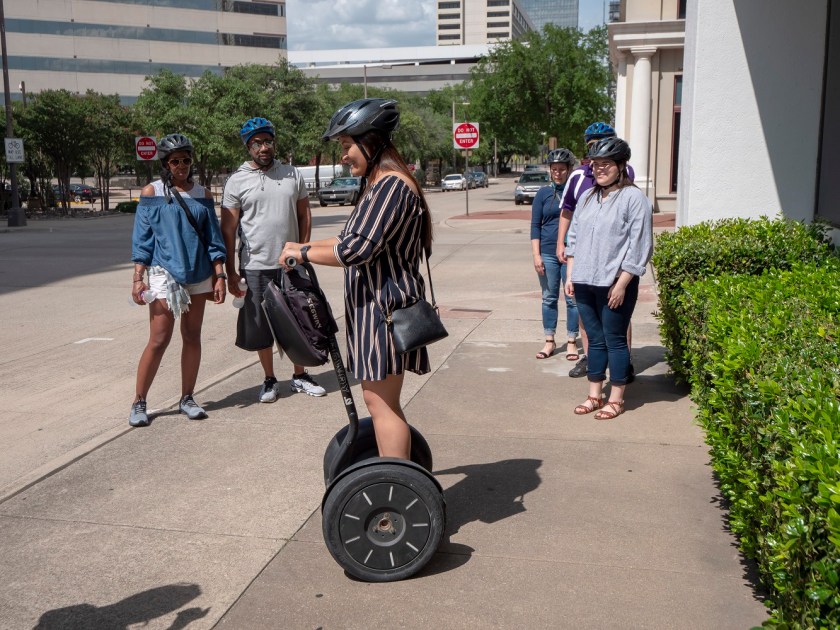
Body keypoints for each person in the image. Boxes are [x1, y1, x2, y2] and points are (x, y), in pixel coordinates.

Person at [280, 98, 432, 459]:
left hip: (386, 311)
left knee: (381, 404)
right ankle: (394, 473)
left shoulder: (392, 187)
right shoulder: (377, 185)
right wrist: (301, 246)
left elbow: (355, 250)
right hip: (375, 310)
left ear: (372, 141)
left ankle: (394, 482)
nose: (344, 155)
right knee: (378, 402)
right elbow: (347, 238)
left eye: (347, 145)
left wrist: (302, 254)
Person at [221, 117, 326, 402]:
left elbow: (304, 215)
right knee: (260, 325)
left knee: (299, 319)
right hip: (254, 265)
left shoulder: (292, 174)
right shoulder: (236, 180)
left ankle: (300, 375)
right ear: (248, 147)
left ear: (274, 143)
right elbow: (228, 230)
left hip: (290, 263)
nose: (263, 147)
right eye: (257, 143)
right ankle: (269, 379)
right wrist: (230, 272)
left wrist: (302, 252)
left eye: (267, 141)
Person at [129, 133, 227, 427]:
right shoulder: (152, 192)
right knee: (159, 339)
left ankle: (187, 398)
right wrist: (138, 277)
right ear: (166, 164)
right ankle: (139, 401)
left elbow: (214, 240)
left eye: (186, 160)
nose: (181, 166)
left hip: (199, 274)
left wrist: (220, 275)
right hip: (164, 274)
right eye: (175, 161)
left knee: (192, 336)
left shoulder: (203, 194)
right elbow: (143, 240)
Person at [564, 137, 653, 420]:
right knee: (594, 339)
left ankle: (616, 399)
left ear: (621, 165)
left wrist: (622, 283)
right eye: (596, 164)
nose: (599, 169)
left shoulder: (634, 198)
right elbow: (573, 238)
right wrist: (570, 275)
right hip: (584, 281)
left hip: (615, 283)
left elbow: (640, 245)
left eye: (606, 164)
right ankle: (594, 395)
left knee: (615, 339)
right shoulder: (587, 198)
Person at [558, 122, 636, 379]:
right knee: (587, 315)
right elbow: (567, 211)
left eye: (603, 142)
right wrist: (561, 244)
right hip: (584, 260)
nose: (598, 151)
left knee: (618, 319)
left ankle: (623, 362)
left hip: (613, 264)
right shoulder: (578, 176)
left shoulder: (625, 173)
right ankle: (591, 358)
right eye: (593, 145)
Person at [530, 148, 579, 360]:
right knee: (549, 298)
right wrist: (536, 255)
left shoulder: (576, 192)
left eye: (562, 169)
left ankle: (572, 341)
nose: (558, 173)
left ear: (569, 169)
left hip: (571, 254)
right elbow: (535, 226)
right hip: (547, 253)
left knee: (572, 299)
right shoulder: (543, 194)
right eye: (554, 169)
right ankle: (549, 340)